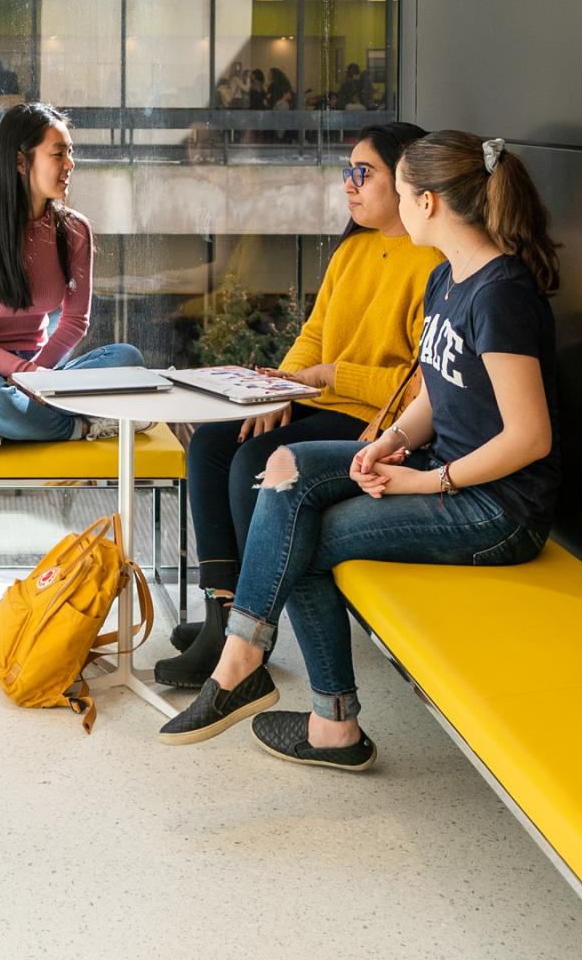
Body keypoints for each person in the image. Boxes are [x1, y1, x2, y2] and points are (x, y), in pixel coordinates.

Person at [158, 130, 561, 769]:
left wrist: (427, 482)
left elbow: (529, 436)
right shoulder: (452, 281)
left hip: (495, 510)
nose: (392, 206)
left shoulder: (501, 294)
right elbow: (433, 392)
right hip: (436, 470)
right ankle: (254, 665)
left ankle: (304, 707)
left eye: (398, 192)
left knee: (309, 537)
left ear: (427, 203)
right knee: (283, 466)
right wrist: (393, 440)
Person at [154, 123, 436, 686]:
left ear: (408, 179)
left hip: (374, 424)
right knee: (213, 441)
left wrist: (330, 375)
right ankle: (221, 613)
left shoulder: (431, 263)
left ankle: (246, 639)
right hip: (323, 401)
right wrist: (279, 387)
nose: (349, 185)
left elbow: (417, 392)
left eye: (365, 173)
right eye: (346, 172)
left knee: (249, 462)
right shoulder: (353, 250)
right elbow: (313, 336)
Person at [0, 102, 144, 457]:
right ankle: (82, 427)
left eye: (71, 153)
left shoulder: (76, 230)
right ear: (20, 162)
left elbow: (75, 320)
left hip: (44, 367)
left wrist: (37, 376)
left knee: (128, 360)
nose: (70, 164)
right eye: (58, 154)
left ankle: (3, 426)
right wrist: (20, 373)